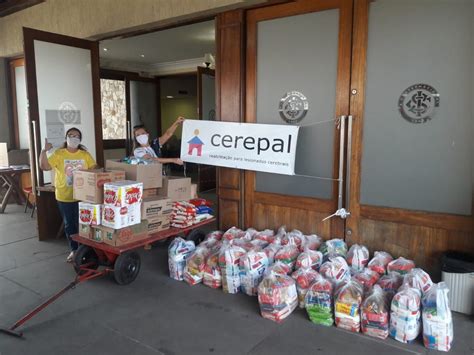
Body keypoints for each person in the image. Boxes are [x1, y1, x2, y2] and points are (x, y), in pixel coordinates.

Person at [39, 127, 96, 262]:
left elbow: (94, 168)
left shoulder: (84, 155)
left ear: (80, 139)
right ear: (66, 138)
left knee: (84, 223)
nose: (73, 138)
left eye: (76, 136)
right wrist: (43, 150)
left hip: (83, 196)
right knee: (70, 224)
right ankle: (74, 250)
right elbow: (45, 166)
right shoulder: (59, 154)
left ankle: (85, 249)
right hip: (65, 196)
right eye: (70, 135)